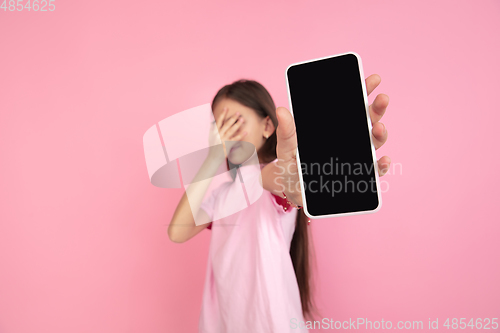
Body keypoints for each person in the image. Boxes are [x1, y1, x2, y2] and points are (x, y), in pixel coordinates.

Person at [168, 77, 391, 333]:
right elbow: (177, 232)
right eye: (219, 126)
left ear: (267, 126)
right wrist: (212, 157)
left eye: (235, 122)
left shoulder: (266, 176)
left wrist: (313, 171)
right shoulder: (222, 196)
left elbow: (282, 179)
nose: (226, 135)